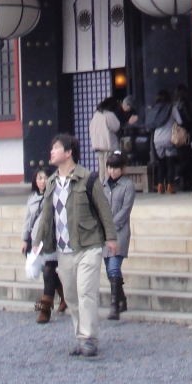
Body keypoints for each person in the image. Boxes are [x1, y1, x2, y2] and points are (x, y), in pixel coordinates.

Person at [33, 134, 119, 358]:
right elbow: (46, 216)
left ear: (69, 152)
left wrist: (111, 237)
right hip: (63, 249)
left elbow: (104, 209)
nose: (51, 151)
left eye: (56, 148)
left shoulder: (88, 179)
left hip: (88, 245)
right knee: (71, 296)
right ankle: (81, 337)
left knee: (86, 292)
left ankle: (89, 338)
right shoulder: (52, 183)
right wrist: (37, 242)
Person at [22, 168, 66, 323]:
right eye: (39, 178)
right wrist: (25, 239)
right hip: (35, 241)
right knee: (47, 272)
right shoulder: (32, 198)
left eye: (45, 178)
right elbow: (28, 220)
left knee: (48, 271)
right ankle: (64, 296)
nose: (42, 181)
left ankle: (45, 308)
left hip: (52, 240)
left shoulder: (55, 195)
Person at [102, 151, 135, 321]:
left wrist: (111, 226)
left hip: (119, 231)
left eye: (115, 168)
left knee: (114, 266)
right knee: (110, 269)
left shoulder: (128, 185)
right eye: (110, 168)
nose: (112, 171)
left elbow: (126, 209)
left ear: (122, 168)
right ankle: (122, 299)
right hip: (104, 234)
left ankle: (114, 305)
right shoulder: (103, 185)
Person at [146, 89, 178, 194]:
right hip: (169, 138)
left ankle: (160, 186)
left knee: (161, 163)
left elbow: (149, 125)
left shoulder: (154, 110)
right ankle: (170, 186)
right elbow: (180, 120)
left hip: (157, 139)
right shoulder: (172, 108)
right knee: (170, 163)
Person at [89, 97, 121, 179]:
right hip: (107, 145)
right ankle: (108, 184)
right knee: (109, 167)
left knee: (102, 168)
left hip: (98, 145)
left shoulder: (96, 115)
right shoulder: (109, 115)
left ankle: (101, 185)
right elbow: (116, 127)